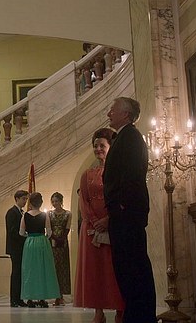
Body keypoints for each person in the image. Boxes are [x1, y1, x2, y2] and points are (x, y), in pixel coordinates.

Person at [103, 97, 156, 322]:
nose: (109, 114)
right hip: (123, 214)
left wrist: (121, 205)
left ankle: (141, 317)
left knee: (133, 268)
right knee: (126, 269)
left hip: (127, 214)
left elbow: (132, 174)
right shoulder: (123, 137)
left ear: (125, 114)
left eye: (112, 110)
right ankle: (135, 315)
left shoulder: (131, 138)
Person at [75, 127, 124, 323]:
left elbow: (122, 198)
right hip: (91, 229)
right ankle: (98, 311)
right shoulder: (87, 174)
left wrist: (109, 220)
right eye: (95, 146)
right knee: (94, 271)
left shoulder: (118, 172)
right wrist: (95, 222)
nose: (98, 149)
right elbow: (83, 201)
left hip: (114, 225)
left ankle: (120, 310)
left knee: (114, 270)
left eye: (102, 145)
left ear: (110, 147)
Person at [19, 192, 61, 308]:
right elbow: (49, 232)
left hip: (30, 243)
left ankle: (30, 298)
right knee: (43, 269)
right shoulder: (44, 215)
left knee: (29, 270)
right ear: (41, 203)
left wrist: (29, 236)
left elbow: (21, 232)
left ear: (30, 203)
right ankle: (42, 298)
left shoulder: (25, 215)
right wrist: (43, 237)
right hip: (42, 242)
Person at [5, 190, 29, 307]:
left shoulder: (21, 212)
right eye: (23, 199)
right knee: (16, 273)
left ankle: (19, 299)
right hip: (15, 247)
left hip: (20, 247)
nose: (25, 201)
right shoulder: (12, 212)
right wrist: (24, 236)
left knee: (20, 273)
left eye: (26, 199)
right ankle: (14, 299)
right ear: (17, 199)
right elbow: (12, 231)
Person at [48, 192, 71, 306]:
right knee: (54, 268)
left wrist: (62, 238)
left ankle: (61, 295)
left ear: (61, 201)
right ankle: (55, 294)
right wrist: (54, 238)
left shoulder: (68, 213)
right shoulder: (49, 214)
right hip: (53, 242)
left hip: (63, 243)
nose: (54, 203)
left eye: (56, 201)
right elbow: (48, 228)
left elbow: (67, 227)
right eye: (52, 201)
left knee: (63, 268)